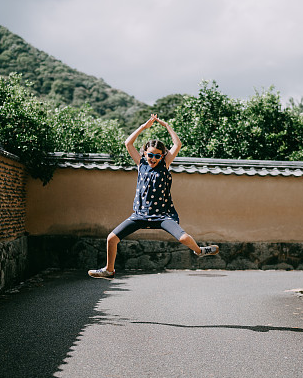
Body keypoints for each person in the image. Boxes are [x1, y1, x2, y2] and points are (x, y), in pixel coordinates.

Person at [88, 114, 219, 279]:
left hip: (162, 215)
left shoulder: (165, 165)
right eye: (150, 155)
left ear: (162, 156)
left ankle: (199, 251)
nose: (153, 158)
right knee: (111, 238)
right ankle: (109, 270)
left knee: (184, 238)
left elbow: (177, 144)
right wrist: (143, 127)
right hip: (140, 215)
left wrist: (167, 126)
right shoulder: (141, 163)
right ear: (144, 153)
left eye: (158, 155)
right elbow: (128, 143)